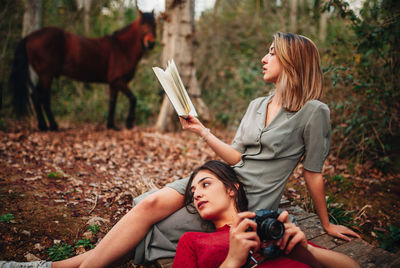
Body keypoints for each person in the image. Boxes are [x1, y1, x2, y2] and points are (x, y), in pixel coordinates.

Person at [1, 32, 360, 268]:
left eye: (272, 53)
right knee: (151, 204)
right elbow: (236, 157)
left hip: (249, 197)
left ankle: (50, 267)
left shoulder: (314, 112)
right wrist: (201, 130)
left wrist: (326, 222)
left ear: (292, 61)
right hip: (223, 176)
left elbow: (313, 171)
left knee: (154, 225)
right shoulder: (256, 104)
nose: (264, 58)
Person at [172, 160, 360, 268]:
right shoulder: (193, 241)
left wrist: (307, 250)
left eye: (205, 184)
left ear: (232, 189)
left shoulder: (268, 227)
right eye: (193, 191)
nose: (196, 194)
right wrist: (232, 261)